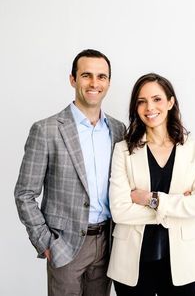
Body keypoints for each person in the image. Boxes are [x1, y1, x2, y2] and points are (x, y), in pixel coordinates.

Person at [14, 49, 125, 296]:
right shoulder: (46, 130)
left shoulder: (118, 130)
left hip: (107, 242)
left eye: (101, 76)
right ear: (73, 79)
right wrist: (46, 243)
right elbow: (24, 193)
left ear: (108, 82)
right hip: (65, 245)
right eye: (86, 75)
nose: (94, 83)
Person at [107, 73, 195, 296]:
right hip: (132, 262)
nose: (149, 107)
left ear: (170, 102)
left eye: (157, 99)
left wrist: (150, 199)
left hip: (181, 261)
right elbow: (119, 211)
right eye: (141, 101)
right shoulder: (123, 150)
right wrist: (179, 205)